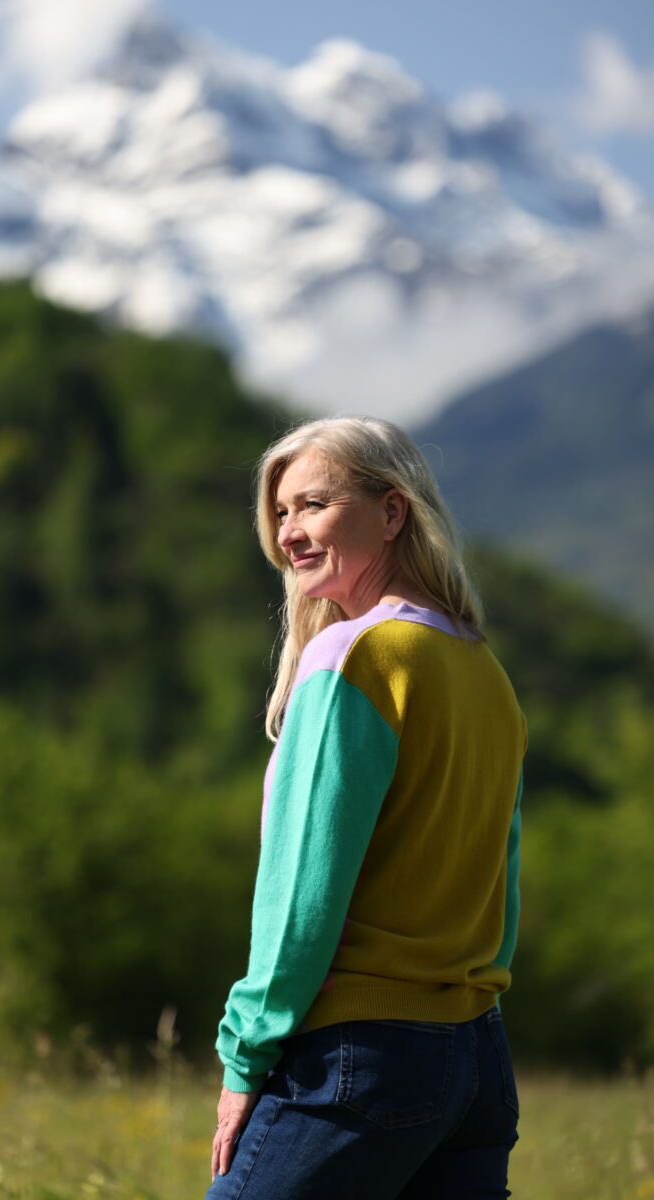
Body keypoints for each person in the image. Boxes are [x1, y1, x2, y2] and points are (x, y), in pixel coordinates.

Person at [206, 416, 527, 1200]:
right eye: (281, 512)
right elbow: (503, 878)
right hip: (477, 1056)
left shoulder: (357, 657)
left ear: (391, 511)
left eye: (313, 504)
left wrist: (246, 1055)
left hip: (361, 1058)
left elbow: (302, 894)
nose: (289, 531)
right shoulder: (483, 669)